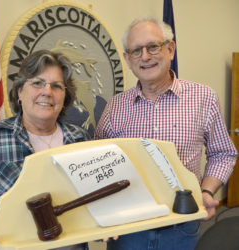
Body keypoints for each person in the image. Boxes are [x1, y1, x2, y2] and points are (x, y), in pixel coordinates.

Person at [94, 17, 238, 250]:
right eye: (136, 50)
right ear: (127, 59)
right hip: (129, 229)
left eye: (153, 46)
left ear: (170, 49)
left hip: (184, 225)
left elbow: (223, 153)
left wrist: (206, 191)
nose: (145, 56)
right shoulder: (115, 108)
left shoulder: (203, 98)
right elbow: (96, 165)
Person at [0, 50, 91, 250]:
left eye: (56, 86)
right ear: (20, 91)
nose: (47, 91)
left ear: (65, 98)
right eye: (37, 83)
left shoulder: (80, 140)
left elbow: (94, 199)